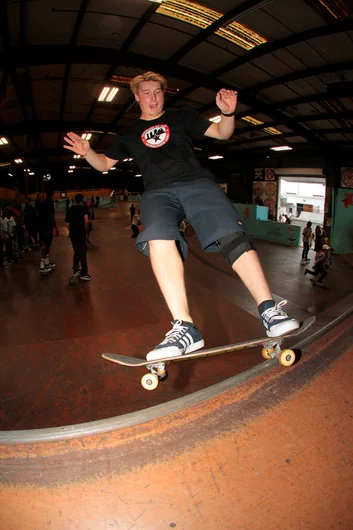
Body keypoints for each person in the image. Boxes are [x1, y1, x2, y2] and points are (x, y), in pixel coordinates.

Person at [63, 70, 299, 361]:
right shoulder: (127, 133)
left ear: (164, 94)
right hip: (157, 192)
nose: (153, 98)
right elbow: (103, 165)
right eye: (146, 93)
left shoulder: (181, 117)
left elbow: (223, 133)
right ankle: (185, 327)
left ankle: (269, 310)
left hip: (196, 183)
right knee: (157, 237)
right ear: (137, 97)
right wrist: (88, 152)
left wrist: (227, 114)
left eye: (158, 92)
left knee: (230, 233)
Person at [65, 193, 91, 281]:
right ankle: (84, 273)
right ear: (81, 200)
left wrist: (71, 230)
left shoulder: (70, 210)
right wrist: (85, 228)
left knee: (76, 252)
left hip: (73, 234)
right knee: (83, 253)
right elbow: (86, 221)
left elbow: (67, 224)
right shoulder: (83, 209)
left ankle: (75, 270)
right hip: (81, 233)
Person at [37, 191, 58, 274]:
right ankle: (42, 266)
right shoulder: (50, 203)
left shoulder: (43, 203)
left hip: (41, 227)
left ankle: (47, 263)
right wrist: (55, 227)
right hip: (47, 226)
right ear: (52, 194)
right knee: (46, 246)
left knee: (47, 245)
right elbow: (52, 216)